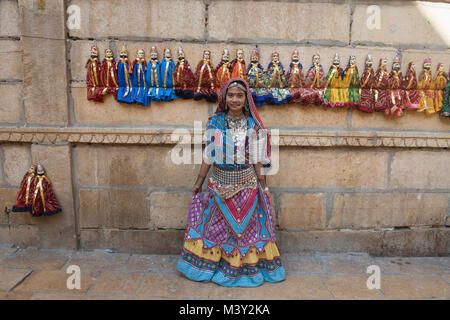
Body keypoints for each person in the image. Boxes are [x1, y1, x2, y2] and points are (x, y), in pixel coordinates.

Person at [177, 78, 286, 287]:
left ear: (246, 99)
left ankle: (241, 268)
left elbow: (256, 159)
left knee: (245, 233)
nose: (235, 99)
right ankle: (213, 265)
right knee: (215, 229)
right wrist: (198, 182)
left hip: (247, 187)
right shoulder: (215, 123)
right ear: (224, 98)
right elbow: (209, 155)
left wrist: (264, 186)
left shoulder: (253, 126)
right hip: (218, 186)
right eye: (231, 95)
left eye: (239, 95)